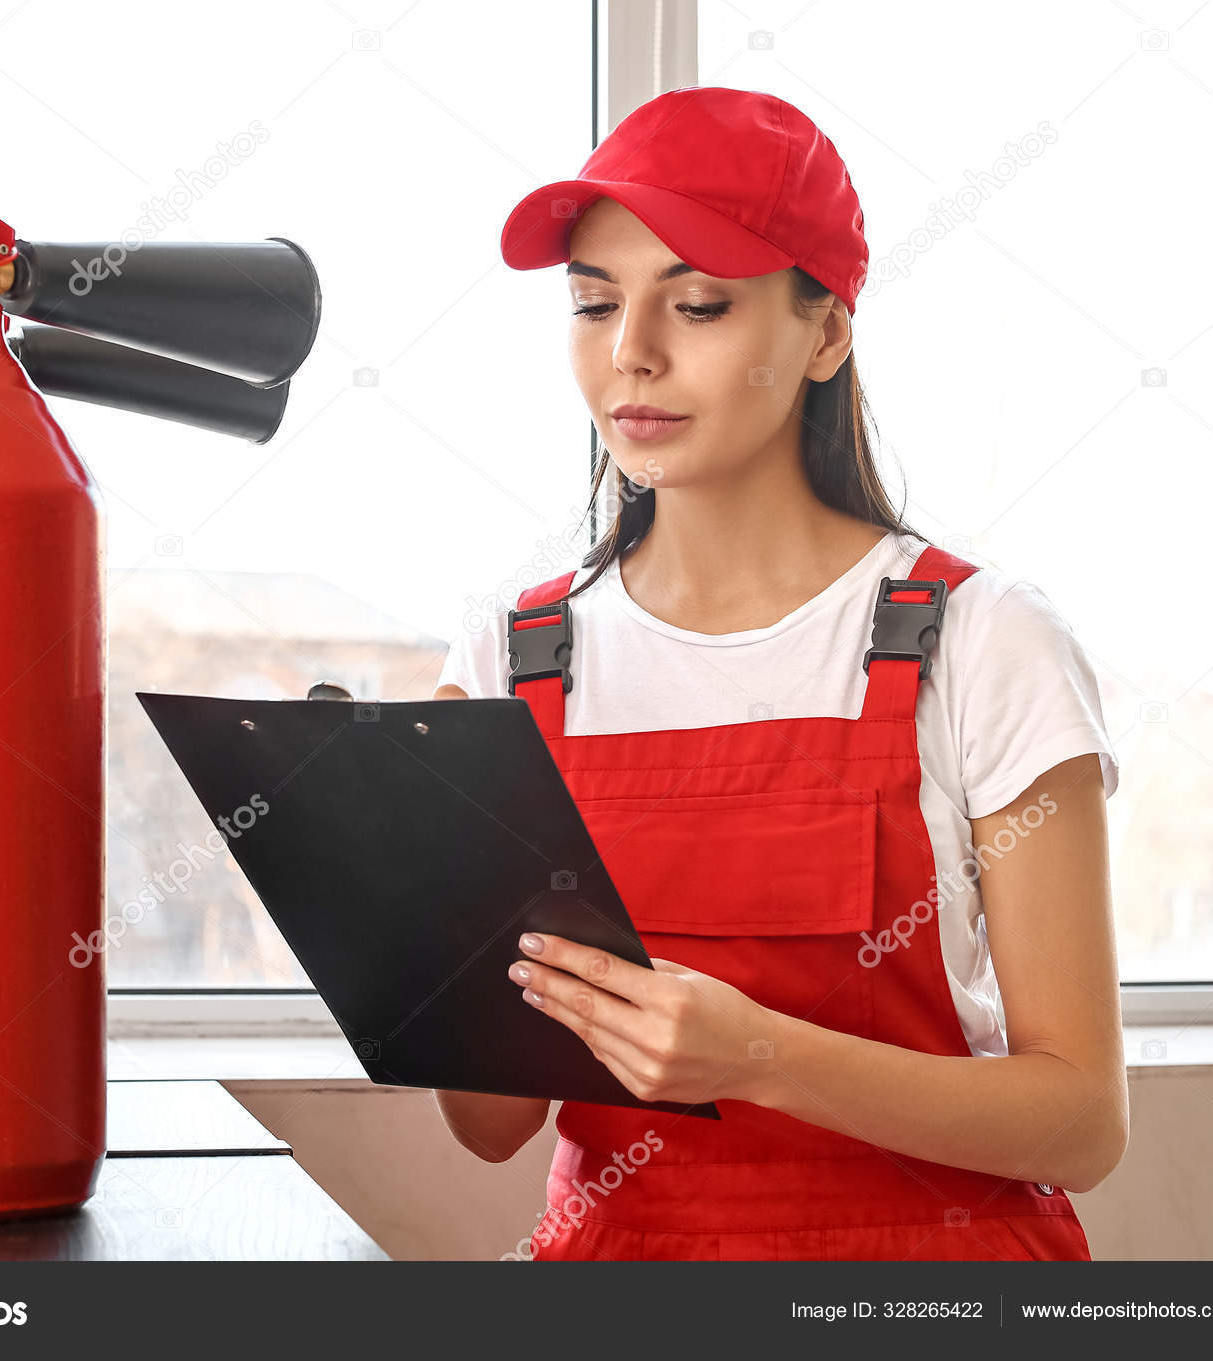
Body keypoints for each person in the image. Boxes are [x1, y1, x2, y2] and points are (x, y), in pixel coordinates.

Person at [430, 86, 1126, 1262]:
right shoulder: (507, 659)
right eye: (594, 304)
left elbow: (1080, 1120)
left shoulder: (980, 638)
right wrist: (383, 906)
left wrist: (760, 1055)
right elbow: (491, 1126)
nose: (630, 353)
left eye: (695, 303)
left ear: (825, 334)